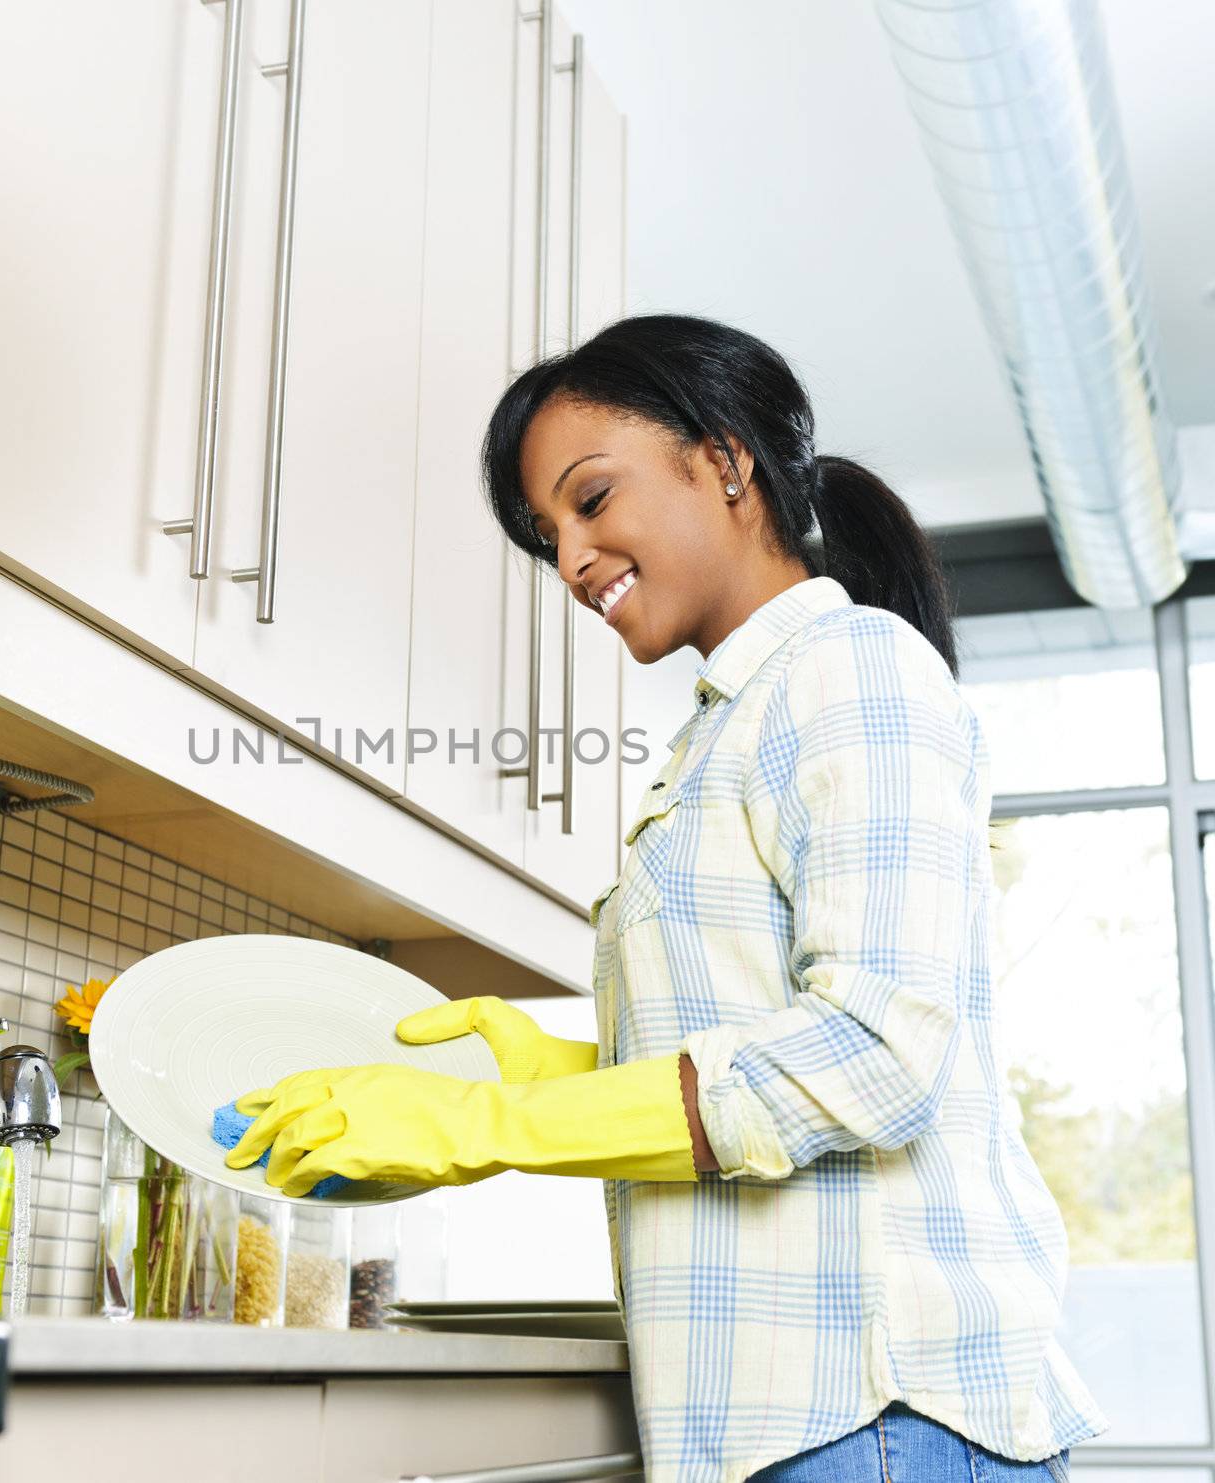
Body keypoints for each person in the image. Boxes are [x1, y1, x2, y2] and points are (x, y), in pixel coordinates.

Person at [225, 314, 1107, 1481]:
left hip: (879, 1415)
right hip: (793, 1423)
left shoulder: (851, 667)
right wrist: (548, 1075)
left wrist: (485, 1129)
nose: (572, 559)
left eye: (591, 500)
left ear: (725, 461)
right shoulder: (727, 727)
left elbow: (873, 1056)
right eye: (548, 535)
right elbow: (755, 1049)